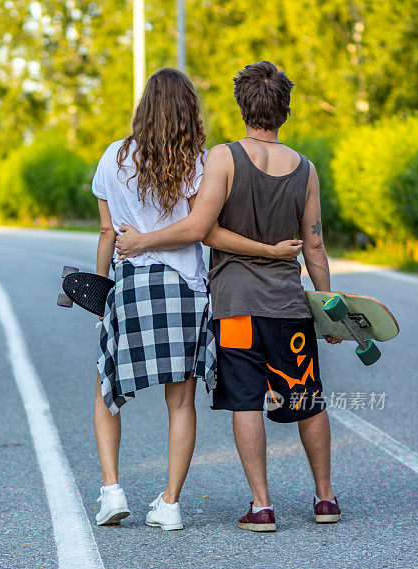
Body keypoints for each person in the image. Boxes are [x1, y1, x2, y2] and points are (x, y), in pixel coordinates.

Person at [116, 60, 342, 532]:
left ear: (243, 106)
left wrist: (139, 242)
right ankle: (325, 499)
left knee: (245, 400)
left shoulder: (222, 157)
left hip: (236, 306)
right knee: (306, 399)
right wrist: (330, 307)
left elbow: (203, 231)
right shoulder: (306, 169)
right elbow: (315, 245)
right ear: (286, 109)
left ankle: (262, 506)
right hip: (288, 306)